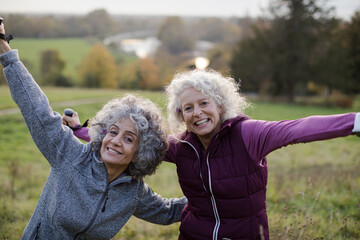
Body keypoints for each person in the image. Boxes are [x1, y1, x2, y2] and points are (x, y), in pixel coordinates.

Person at [70, 68, 360, 239]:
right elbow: (131, 140)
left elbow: (299, 128)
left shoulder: (249, 135)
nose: (198, 113)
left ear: (220, 104)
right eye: (188, 108)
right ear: (180, 115)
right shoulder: (181, 147)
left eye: (204, 103)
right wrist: (79, 130)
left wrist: (354, 122)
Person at [0, 20, 187, 239]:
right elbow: (36, 108)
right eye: (113, 131)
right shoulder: (70, 154)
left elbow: (168, 211)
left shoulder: (134, 191)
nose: (115, 141)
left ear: (140, 153)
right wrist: (4, 48)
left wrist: (225, 196)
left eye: (128, 139)